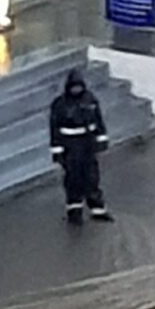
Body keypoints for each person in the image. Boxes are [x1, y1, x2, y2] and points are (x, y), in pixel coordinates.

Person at [49, 70, 110, 224]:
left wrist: (101, 140)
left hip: (87, 144)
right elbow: (55, 129)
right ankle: (74, 212)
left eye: (78, 86)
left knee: (92, 177)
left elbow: (98, 121)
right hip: (70, 146)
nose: (76, 90)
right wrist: (58, 152)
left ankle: (98, 209)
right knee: (73, 179)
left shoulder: (90, 100)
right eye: (74, 87)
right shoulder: (60, 104)